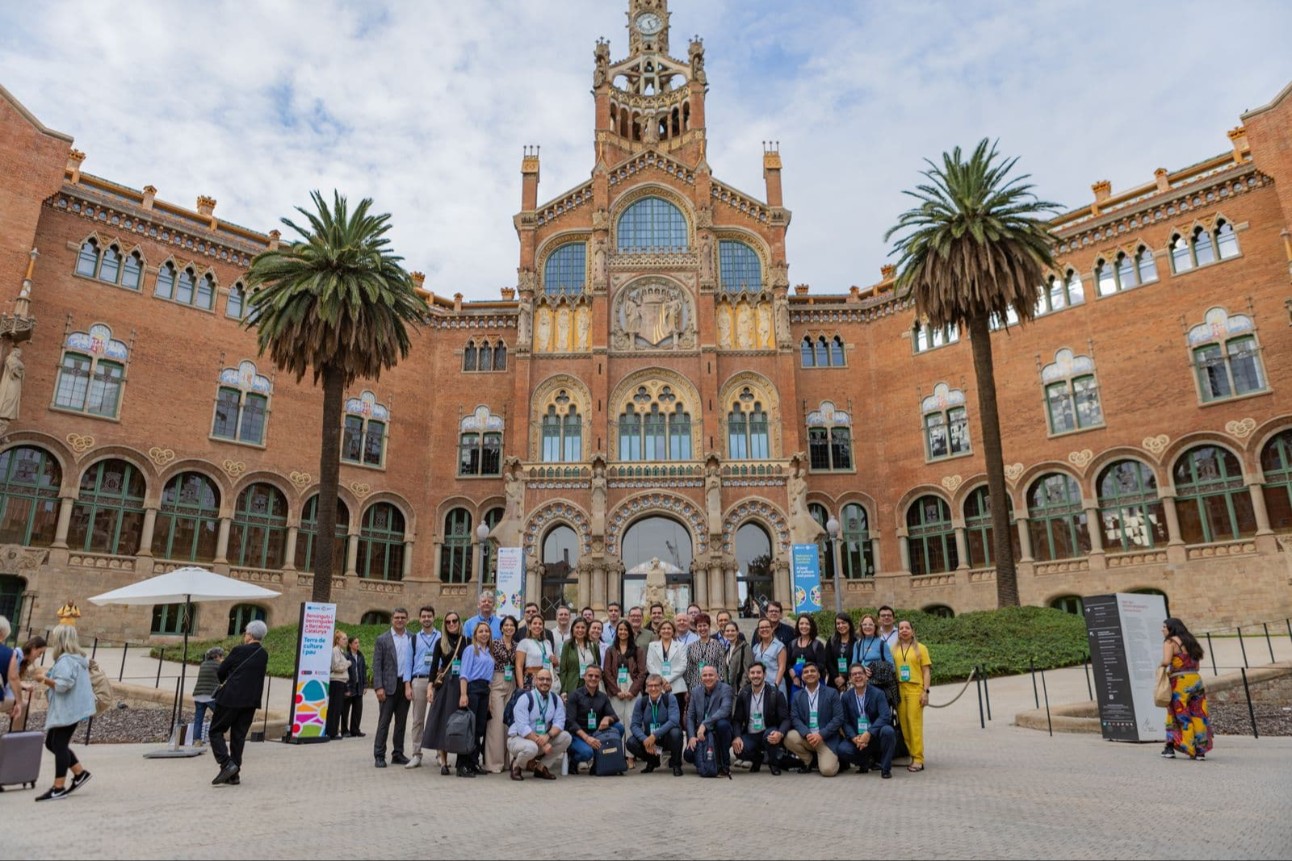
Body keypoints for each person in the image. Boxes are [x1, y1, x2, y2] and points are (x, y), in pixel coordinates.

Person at [34, 624, 93, 800]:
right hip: (72, 708)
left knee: (58, 745)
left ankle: (58, 788)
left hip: (68, 710)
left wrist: (44, 680)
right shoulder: (75, 658)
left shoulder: (67, 660)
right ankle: (79, 773)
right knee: (52, 743)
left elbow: (63, 685)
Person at [209, 619, 270, 787]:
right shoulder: (263, 654)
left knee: (215, 731)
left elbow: (221, 671)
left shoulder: (238, 650)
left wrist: (225, 678)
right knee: (239, 736)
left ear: (249, 634)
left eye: (246, 633)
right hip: (250, 701)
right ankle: (234, 775)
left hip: (231, 698)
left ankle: (226, 764)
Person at [1161, 617, 1212, 761]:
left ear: (1171, 629)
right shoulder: (1191, 642)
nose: (1162, 629)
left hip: (1180, 682)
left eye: (1164, 627)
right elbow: (1197, 665)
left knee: (1177, 714)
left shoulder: (1170, 642)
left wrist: (1160, 667)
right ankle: (1200, 750)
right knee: (1199, 714)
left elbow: (1166, 661)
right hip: (1195, 680)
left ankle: (1175, 747)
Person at [506, 668, 570, 780]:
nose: (544, 682)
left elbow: (559, 722)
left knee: (566, 737)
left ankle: (541, 768)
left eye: (548, 680)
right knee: (532, 748)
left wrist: (548, 736)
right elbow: (523, 728)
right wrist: (543, 744)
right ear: (535, 681)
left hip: (542, 738)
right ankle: (517, 764)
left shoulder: (556, 699)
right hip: (519, 739)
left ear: (551, 682)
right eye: (541, 679)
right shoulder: (525, 698)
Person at [422, 613, 466, 775]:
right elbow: (434, 666)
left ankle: (462, 759)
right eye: (448, 622)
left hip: (461, 684)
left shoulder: (466, 641)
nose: (451, 624)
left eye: (454, 620)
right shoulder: (440, 642)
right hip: (446, 685)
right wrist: (429, 688)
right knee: (442, 721)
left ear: (459, 622)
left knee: (460, 721)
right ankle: (443, 761)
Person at [783, 662, 844, 776]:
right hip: (808, 737)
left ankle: (833, 760)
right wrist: (807, 734)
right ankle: (809, 760)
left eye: (812, 671)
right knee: (788, 737)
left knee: (828, 771)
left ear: (819, 675)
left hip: (825, 739)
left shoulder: (831, 693)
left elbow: (838, 718)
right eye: (806, 672)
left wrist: (821, 734)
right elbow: (795, 718)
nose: (809, 674)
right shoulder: (797, 695)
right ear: (802, 677)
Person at [838, 663, 897, 778]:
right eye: (854, 674)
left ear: (866, 676)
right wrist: (854, 738)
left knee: (888, 731)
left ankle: (885, 769)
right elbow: (845, 721)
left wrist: (869, 733)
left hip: (875, 736)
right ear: (850, 679)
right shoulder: (846, 697)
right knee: (842, 749)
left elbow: (885, 716)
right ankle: (865, 762)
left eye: (860, 673)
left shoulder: (878, 693)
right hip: (858, 737)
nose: (857, 676)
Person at [371, 607, 413, 768]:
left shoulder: (412, 638)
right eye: (397, 617)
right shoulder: (383, 639)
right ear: (392, 619)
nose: (400, 620)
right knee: (384, 723)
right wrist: (378, 687)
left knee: (401, 723)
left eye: (403, 617)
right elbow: (377, 665)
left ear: (407, 619)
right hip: (387, 687)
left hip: (405, 686)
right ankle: (379, 755)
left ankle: (398, 753)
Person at [731, 661, 791, 774]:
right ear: (749, 675)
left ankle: (774, 764)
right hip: (751, 734)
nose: (755, 676)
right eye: (752, 673)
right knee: (739, 750)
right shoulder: (743, 694)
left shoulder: (775, 694)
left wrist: (780, 733)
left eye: (758, 672)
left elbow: (786, 719)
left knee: (771, 736)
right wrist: (737, 737)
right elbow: (737, 720)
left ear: (764, 674)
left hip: (768, 731)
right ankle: (757, 759)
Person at [602, 619, 646, 768]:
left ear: (630, 632)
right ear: (617, 632)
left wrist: (633, 691)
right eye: (620, 630)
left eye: (625, 630)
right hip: (616, 689)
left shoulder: (638, 650)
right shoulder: (610, 650)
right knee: (618, 722)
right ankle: (618, 754)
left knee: (631, 721)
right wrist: (616, 691)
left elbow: (642, 673)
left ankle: (630, 756)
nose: (622, 632)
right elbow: (607, 672)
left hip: (632, 687)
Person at [454, 621, 495, 778]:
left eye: (486, 631)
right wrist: (463, 695)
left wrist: (489, 700)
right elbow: (464, 674)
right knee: (468, 729)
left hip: (484, 690)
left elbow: (490, 679)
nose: (484, 634)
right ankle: (462, 764)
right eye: (481, 631)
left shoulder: (488, 652)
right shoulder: (471, 650)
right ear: (475, 634)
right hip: (472, 689)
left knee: (479, 729)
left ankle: (473, 762)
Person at [565, 665, 622, 774]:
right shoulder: (574, 695)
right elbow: (570, 722)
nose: (593, 678)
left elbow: (615, 717)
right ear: (584, 677)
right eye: (590, 675)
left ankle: (600, 761)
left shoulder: (603, 697)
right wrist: (586, 738)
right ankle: (573, 760)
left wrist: (607, 718)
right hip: (579, 735)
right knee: (587, 753)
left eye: (597, 676)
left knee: (618, 727)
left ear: (600, 679)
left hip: (596, 733)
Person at [894, 619, 931, 773]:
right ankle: (911, 754)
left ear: (912, 631)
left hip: (915, 689)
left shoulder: (921, 648)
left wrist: (926, 691)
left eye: (907, 628)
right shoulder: (893, 649)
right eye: (901, 628)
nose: (904, 630)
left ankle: (918, 759)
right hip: (900, 688)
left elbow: (926, 671)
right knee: (904, 724)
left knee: (914, 723)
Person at [627, 674, 684, 775]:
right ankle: (652, 761)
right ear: (646, 688)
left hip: (666, 738)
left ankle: (676, 764)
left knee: (676, 733)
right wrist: (645, 739)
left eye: (656, 685)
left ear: (662, 687)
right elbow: (634, 725)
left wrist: (654, 735)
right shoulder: (641, 702)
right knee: (631, 742)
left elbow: (673, 720)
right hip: (649, 741)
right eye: (650, 686)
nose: (653, 688)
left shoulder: (669, 698)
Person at [684, 664, 734, 778]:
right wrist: (691, 736)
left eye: (711, 675)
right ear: (701, 678)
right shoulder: (696, 691)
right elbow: (690, 716)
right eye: (705, 675)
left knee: (723, 724)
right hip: (702, 734)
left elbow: (725, 710)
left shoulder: (726, 689)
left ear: (717, 676)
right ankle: (705, 763)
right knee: (688, 755)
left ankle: (724, 765)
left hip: (718, 731)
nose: (708, 678)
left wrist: (704, 724)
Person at [406, 605, 440, 768]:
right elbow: (408, 663)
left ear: (434, 617)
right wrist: (407, 685)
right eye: (424, 616)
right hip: (419, 681)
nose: (426, 619)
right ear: (420, 619)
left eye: (429, 616)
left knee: (438, 718)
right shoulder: (413, 639)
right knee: (418, 720)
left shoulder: (441, 636)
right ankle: (416, 754)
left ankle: (440, 754)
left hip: (437, 681)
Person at [484, 615, 519, 773]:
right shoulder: (494, 644)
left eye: (512, 625)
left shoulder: (517, 645)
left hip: (510, 681)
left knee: (507, 723)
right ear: (501, 628)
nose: (509, 628)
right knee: (496, 723)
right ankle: (494, 762)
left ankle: (506, 761)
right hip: (496, 680)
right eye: (506, 625)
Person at [786, 613, 829, 705]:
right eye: (801, 624)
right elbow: (788, 664)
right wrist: (794, 676)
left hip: (813, 683)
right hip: (797, 683)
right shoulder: (792, 644)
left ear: (811, 626)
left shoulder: (817, 645)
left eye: (807, 624)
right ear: (798, 626)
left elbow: (821, 665)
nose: (804, 626)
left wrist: (805, 674)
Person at [646, 619, 688, 705]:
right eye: (663, 628)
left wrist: (666, 680)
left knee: (677, 715)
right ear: (659, 631)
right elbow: (650, 664)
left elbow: (683, 666)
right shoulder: (652, 646)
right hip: (657, 687)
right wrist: (661, 680)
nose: (666, 631)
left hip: (676, 687)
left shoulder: (681, 646)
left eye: (669, 628)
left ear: (673, 631)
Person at [190, 646, 225, 746]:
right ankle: (215, 738)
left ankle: (196, 740)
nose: (222, 657)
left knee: (198, 719)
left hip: (198, 695)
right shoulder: (218, 665)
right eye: (221, 655)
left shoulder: (203, 664)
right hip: (211, 696)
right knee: (219, 716)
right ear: (217, 656)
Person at [559, 618, 601, 698]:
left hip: (590, 685)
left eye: (583, 627)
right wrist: (564, 690)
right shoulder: (567, 645)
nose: (580, 630)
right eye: (577, 627)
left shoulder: (593, 645)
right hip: (573, 685)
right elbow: (563, 669)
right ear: (573, 629)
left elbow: (598, 664)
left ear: (587, 629)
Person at [517, 612, 558, 693]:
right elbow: (519, 666)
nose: (537, 626)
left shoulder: (547, 643)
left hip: (546, 679)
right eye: (534, 623)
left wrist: (555, 661)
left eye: (540, 624)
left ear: (543, 627)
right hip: (531, 679)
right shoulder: (524, 642)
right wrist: (521, 687)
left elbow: (552, 664)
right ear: (529, 626)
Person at [684, 613, 726, 693]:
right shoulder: (691, 647)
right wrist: (687, 689)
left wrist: (720, 685)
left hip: (714, 687)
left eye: (704, 625)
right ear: (696, 628)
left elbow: (721, 668)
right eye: (699, 626)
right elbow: (689, 669)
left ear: (709, 626)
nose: (702, 628)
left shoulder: (718, 646)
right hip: (695, 686)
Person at [751, 617, 788, 695]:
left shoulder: (779, 646)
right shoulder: (755, 648)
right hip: (760, 686)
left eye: (767, 627)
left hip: (776, 686)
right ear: (758, 631)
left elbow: (782, 667)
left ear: (772, 629)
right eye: (761, 627)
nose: (764, 629)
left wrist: (776, 685)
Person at [326, 628, 351, 740]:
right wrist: (347, 664)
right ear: (337, 640)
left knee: (338, 707)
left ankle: (334, 730)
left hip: (341, 682)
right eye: (344, 639)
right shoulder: (335, 651)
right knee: (335, 708)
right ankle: (332, 731)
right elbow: (336, 667)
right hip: (336, 681)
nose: (346, 641)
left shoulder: (340, 651)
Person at [826, 612, 857, 691]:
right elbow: (828, 660)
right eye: (838, 624)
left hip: (852, 680)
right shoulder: (832, 640)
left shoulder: (857, 640)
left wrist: (844, 677)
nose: (841, 626)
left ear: (849, 624)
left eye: (843, 623)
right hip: (834, 681)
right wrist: (836, 677)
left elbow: (856, 661)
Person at [0, 615, 22, 727]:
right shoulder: (8, 653)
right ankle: (16, 740)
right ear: (2, 635)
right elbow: (13, 678)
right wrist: (19, 702)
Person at [343, 634, 367, 737]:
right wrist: (346, 686)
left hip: (358, 686)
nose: (358, 645)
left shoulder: (360, 656)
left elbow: (363, 671)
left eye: (358, 643)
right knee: (345, 709)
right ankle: (344, 730)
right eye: (355, 643)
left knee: (358, 709)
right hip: (349, 686)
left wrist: (365, 685)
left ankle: (355, 729)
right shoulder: (346, 656)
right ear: (350, 644)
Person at [721, 621, 753, 693]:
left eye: (733, 630)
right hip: (730, 689)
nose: (730, 633)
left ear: (737, 632)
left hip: (741, 690)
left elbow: (748, 669)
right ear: (724, 633)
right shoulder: (727, 649)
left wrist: (742, 687)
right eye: (727, 631)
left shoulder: (745, 647)